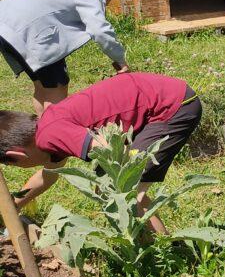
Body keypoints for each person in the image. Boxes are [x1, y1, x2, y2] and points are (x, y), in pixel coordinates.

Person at [0, 72, 202, 234]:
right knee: (110, 187)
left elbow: (107, 150)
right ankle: (151, 242)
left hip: (171, 107)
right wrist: (11, 208)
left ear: (18, 156)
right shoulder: (46, 130)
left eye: (14, 165)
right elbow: (48, 176)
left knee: (122, 189)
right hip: (160, 94)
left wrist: (115, 185)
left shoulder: (50, 135)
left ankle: (163, 254)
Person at [0, 0, 129, 114]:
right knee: (57, 88)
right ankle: (54, 133)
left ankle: (42, 130)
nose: (106, 4)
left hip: (8, 30)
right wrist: (120, 60)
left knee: (42, 85)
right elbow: (99, 31)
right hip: (30, 35)